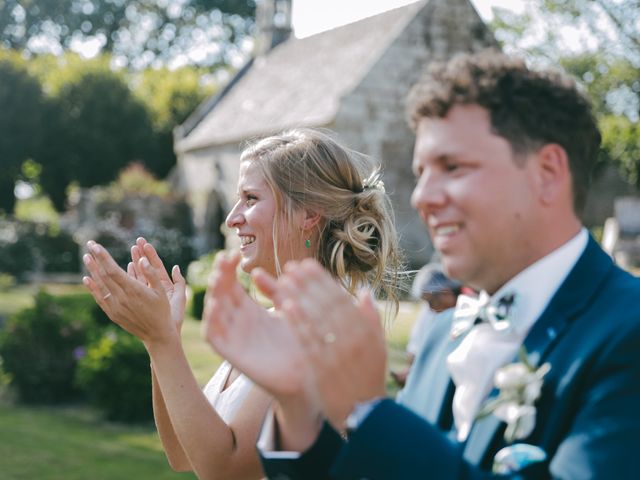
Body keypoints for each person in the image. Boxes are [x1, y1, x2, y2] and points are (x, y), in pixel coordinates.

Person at [202, 50, 640, 479]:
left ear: (547, 172)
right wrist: (296, 406)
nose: (422, 197)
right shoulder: (440, 330)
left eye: (453, 167)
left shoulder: (626, 332)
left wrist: (370, 411)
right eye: (422, 173)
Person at [81, 127, 401, 479]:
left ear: (309, 214)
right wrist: (159, 335)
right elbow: (183, 453)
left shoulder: (322, 324)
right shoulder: (276, 319)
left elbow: (226, 471)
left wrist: (162, 342)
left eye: (250, 198)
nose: (231, 218)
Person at [390, 263, 461, 388]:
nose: (430, 308)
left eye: (431, 302)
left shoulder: (466, 314)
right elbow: (413, 352)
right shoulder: (430, 313)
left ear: (447, 295)